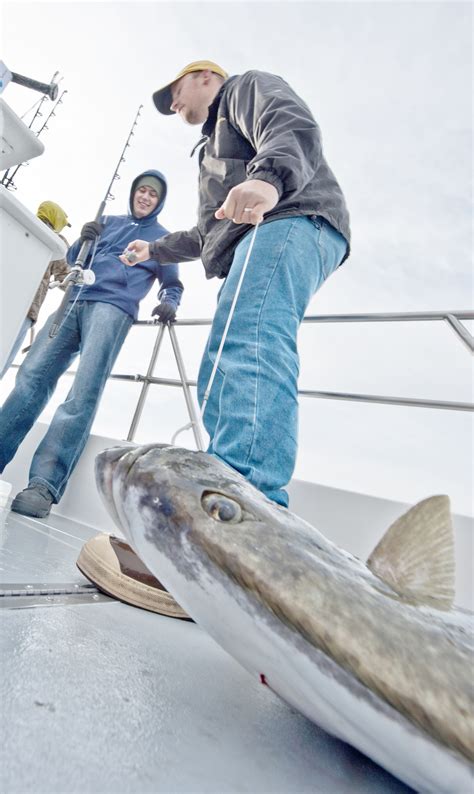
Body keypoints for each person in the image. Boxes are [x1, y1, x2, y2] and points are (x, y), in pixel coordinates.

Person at [76, 61, 351, 620]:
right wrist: (154, 251)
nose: (174, 106)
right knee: (227, 356)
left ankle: (231, 546)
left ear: (204, 76)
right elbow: (207, 235)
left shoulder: (246, 90)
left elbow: (292, 123)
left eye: (175, 93)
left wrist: (268, 179)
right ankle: (230, 531)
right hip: (262, 233)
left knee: (247, 344)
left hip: (289, 219)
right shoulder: (210, 152)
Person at [0, 170, 183, 518]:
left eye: (152, 195)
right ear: (132, 193)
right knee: (30, 379)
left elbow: (172, 282)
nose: (145, 197)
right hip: (73, 300)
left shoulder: (161, 238)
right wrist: (83, 238)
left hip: (113, 309)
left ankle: (43, 485)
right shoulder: (107, 221)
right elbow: (72, 261)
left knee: (82, 394)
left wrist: (170, 302)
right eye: (141, 191)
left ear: (159, 202)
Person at [0, 200, 71, 379]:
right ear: (57, 221)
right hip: (26, 311)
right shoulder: (57, 243)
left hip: (5, 296)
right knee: (4, 358)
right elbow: (65, 277)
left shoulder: (21, 224)